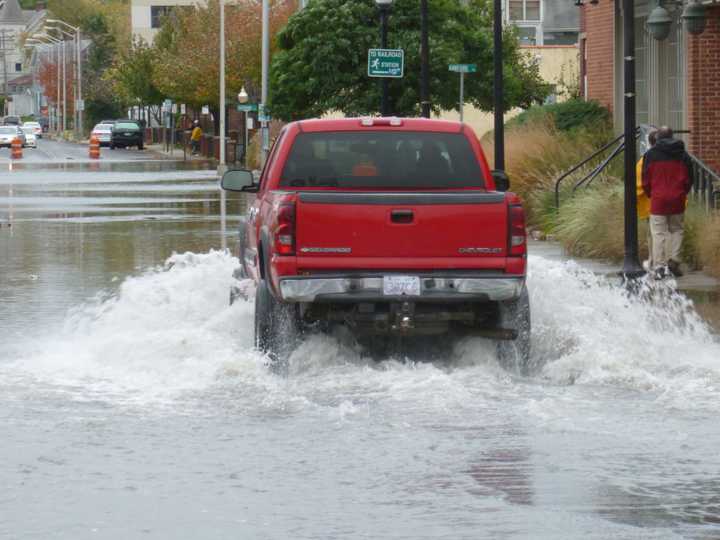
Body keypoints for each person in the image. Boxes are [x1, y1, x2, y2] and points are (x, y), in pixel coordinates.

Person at [642, 126, 693, 278]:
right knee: (677, 230)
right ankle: (674, 260)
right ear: (673, 136)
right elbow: (690, 178)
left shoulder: (650, 155)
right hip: (677, 198)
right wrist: (683, 192)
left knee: (658, 233)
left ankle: (659, 266)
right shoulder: (683, 155)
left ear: (658, 138)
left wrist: (650, 193)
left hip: (658, 198)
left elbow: (645, 179)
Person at [636, 129, 657, 271]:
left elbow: (639, 184)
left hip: (653, 204)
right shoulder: (677, 157)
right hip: (675, 202)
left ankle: (654, 261)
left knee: (654, 233)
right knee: (672, 232)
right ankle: (668, 261)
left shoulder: (644, 160)